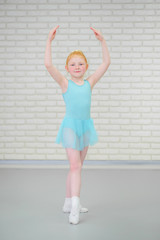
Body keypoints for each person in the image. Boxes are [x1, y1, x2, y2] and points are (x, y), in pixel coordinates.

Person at [44, 25, 111, 225]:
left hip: (86, 127)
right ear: (67, 68)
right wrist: (49, 41)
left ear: (86, 66)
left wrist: (102, 41)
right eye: (72, 64)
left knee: (76, 168)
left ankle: (68, 203)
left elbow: (106, 63)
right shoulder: (65, 84)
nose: (77, 67)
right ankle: (75, 207)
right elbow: (48, 65)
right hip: (71, 128)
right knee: (76, 166)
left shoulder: (90, 83)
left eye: (80, 64)